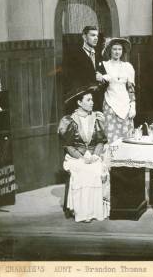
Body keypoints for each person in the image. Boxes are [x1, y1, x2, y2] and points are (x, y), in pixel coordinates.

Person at [58, 85, 110, 223]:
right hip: (77, 156)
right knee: (83, 170)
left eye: (92, 99)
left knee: (96, 169)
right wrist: (81, 157)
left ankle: (94, 211)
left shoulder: (97, 118)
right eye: (88, 100)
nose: (92, 102)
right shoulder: (69, 120)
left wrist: (95, 156)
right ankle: (83, 212)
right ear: (79, 103)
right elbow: (68, 145)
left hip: (94, 155)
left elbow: (101, 141)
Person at [96, 38, 136, 144]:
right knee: (111, 135)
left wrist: (133, 106)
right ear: (110, 50)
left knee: (126, 137)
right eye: (114, 49)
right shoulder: (104, 65)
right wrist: (102, 78)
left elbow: (131, 89)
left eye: (119, 49)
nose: (117, 52)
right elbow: (98, 86)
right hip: (110, 102)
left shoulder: (128, 67)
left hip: (125, 103)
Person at [63, 26, 103, 111]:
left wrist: (102, 78)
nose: (96, 38)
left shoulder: (99, 55)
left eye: (97, 36)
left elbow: (104, 74)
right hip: (82, 101)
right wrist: (93, 77)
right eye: (92, 35)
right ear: (84, 37)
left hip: (98, 100)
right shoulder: (74, 55)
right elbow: (72, 79)